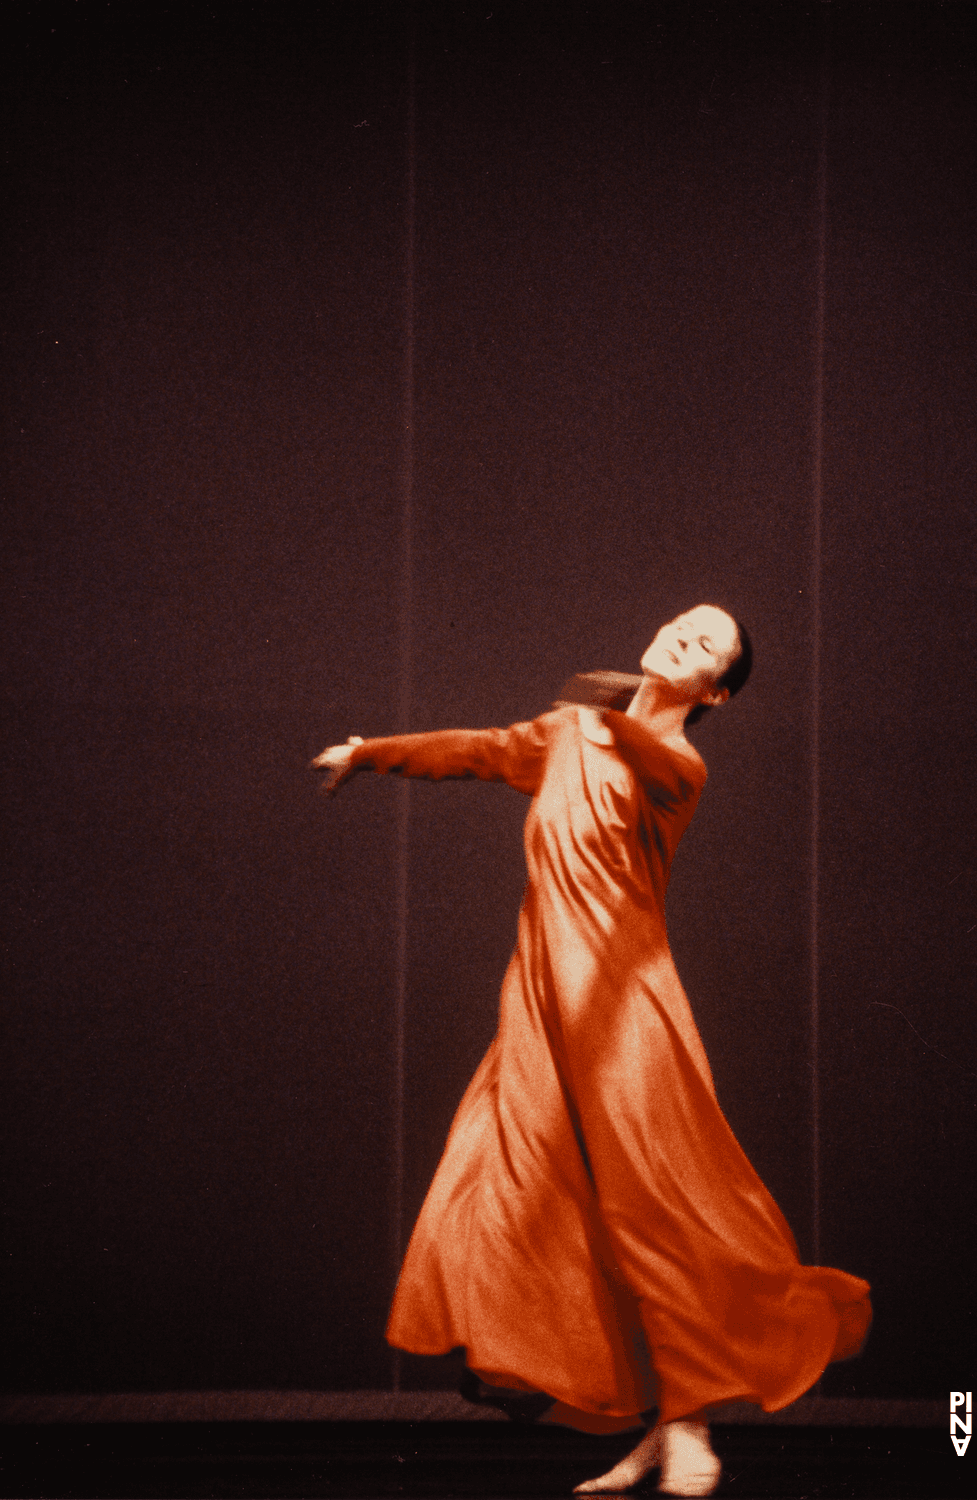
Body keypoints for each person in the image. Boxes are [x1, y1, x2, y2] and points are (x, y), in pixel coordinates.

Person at [313, 604, 871, 1496]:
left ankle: (687, 1425)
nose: (685, 640)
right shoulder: (573, 730)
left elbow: (640, 748)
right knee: (508, 1180)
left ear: (716, 693)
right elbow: (482, 750)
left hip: (622, 1005)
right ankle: (592, 1394)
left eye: (707, 650)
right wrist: (369, 750)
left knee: (648, 1207)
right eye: (685, 625)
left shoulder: (675, 764)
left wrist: (600, 710)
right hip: (540, 999)